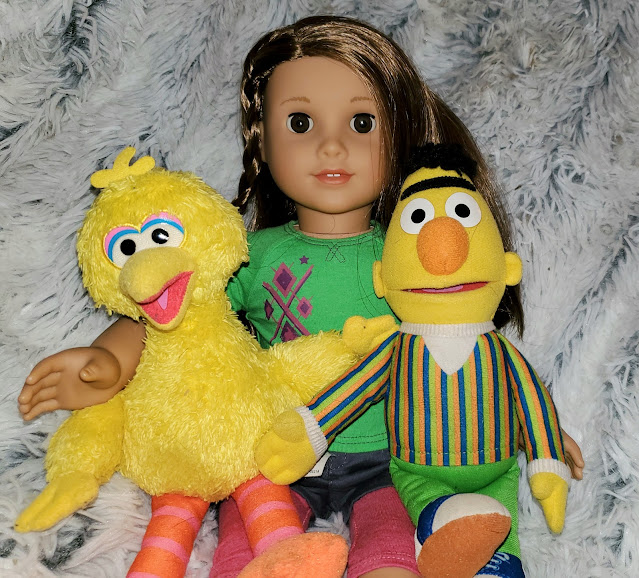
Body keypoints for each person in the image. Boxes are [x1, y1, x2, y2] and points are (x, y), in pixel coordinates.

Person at [18, 15, 584, 578]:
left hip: (386, 459)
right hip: (271, 453)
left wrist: (531, 427)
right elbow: (175, 311)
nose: (331, 145)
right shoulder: (250, 254)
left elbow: (461, 341)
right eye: (300, 122)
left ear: (398, 135)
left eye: (361, 122)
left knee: (393, 545)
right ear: (262, 140)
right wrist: (107, 360)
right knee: (248, 546)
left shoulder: (406, 253)